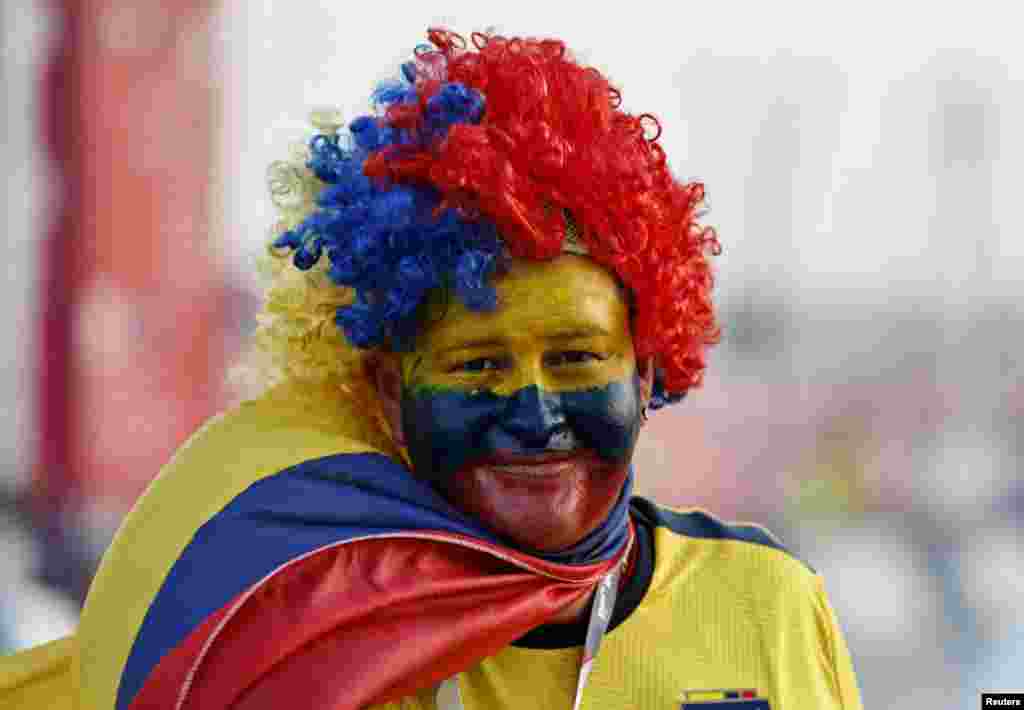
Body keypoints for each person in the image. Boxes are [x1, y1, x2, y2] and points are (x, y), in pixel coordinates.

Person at [0, 28, 863, 710]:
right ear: (389, 391)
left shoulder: (767, 604)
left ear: (645, 373)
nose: (532, 411)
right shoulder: (312, 642)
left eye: (574, 359)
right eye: (478, 364)